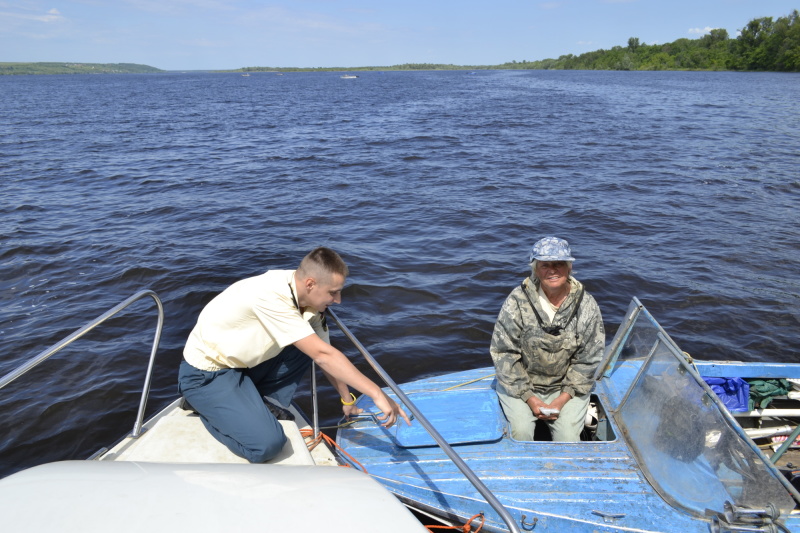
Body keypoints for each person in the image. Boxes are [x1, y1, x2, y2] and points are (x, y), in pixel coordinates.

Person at [178, 246, 410, 462]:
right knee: (267, 445)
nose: (338, 301)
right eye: (333, 293)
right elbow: (323, 355)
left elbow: (327, 353)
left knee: (309, 347)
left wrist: (347, 400)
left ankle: (246, 403)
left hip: (242, 366)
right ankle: (204, 405)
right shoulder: (270, 295)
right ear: (311, 284)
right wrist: (377, 393)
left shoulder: (303, 293)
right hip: (206, 375)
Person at [490, 236, 605, 442]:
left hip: (566, 389)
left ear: (569, 268)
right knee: (521, 432)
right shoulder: (517, 300)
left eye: (559, 264)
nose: (552, 270)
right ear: (535, 269)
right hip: (521, 386)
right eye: (545, 265)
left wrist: (562, 399)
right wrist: (529, 397)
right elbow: (504, 352)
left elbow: (588, 359)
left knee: (568, 437)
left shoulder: (587, 305)